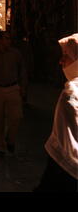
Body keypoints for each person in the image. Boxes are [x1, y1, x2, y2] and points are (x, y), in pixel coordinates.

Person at [34, 33, 78, 192]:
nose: (61, 61)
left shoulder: (71, 93)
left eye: (66, 56)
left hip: (66, 171)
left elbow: (65, 146)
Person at [0, 31, 27, 157]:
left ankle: (10, 138)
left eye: (9, 39)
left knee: (16, 117)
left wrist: (23, 87)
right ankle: (0, 148)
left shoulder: (15, 54)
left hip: (13, 88)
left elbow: (22, 71)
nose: (9, 41)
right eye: (6, 39)